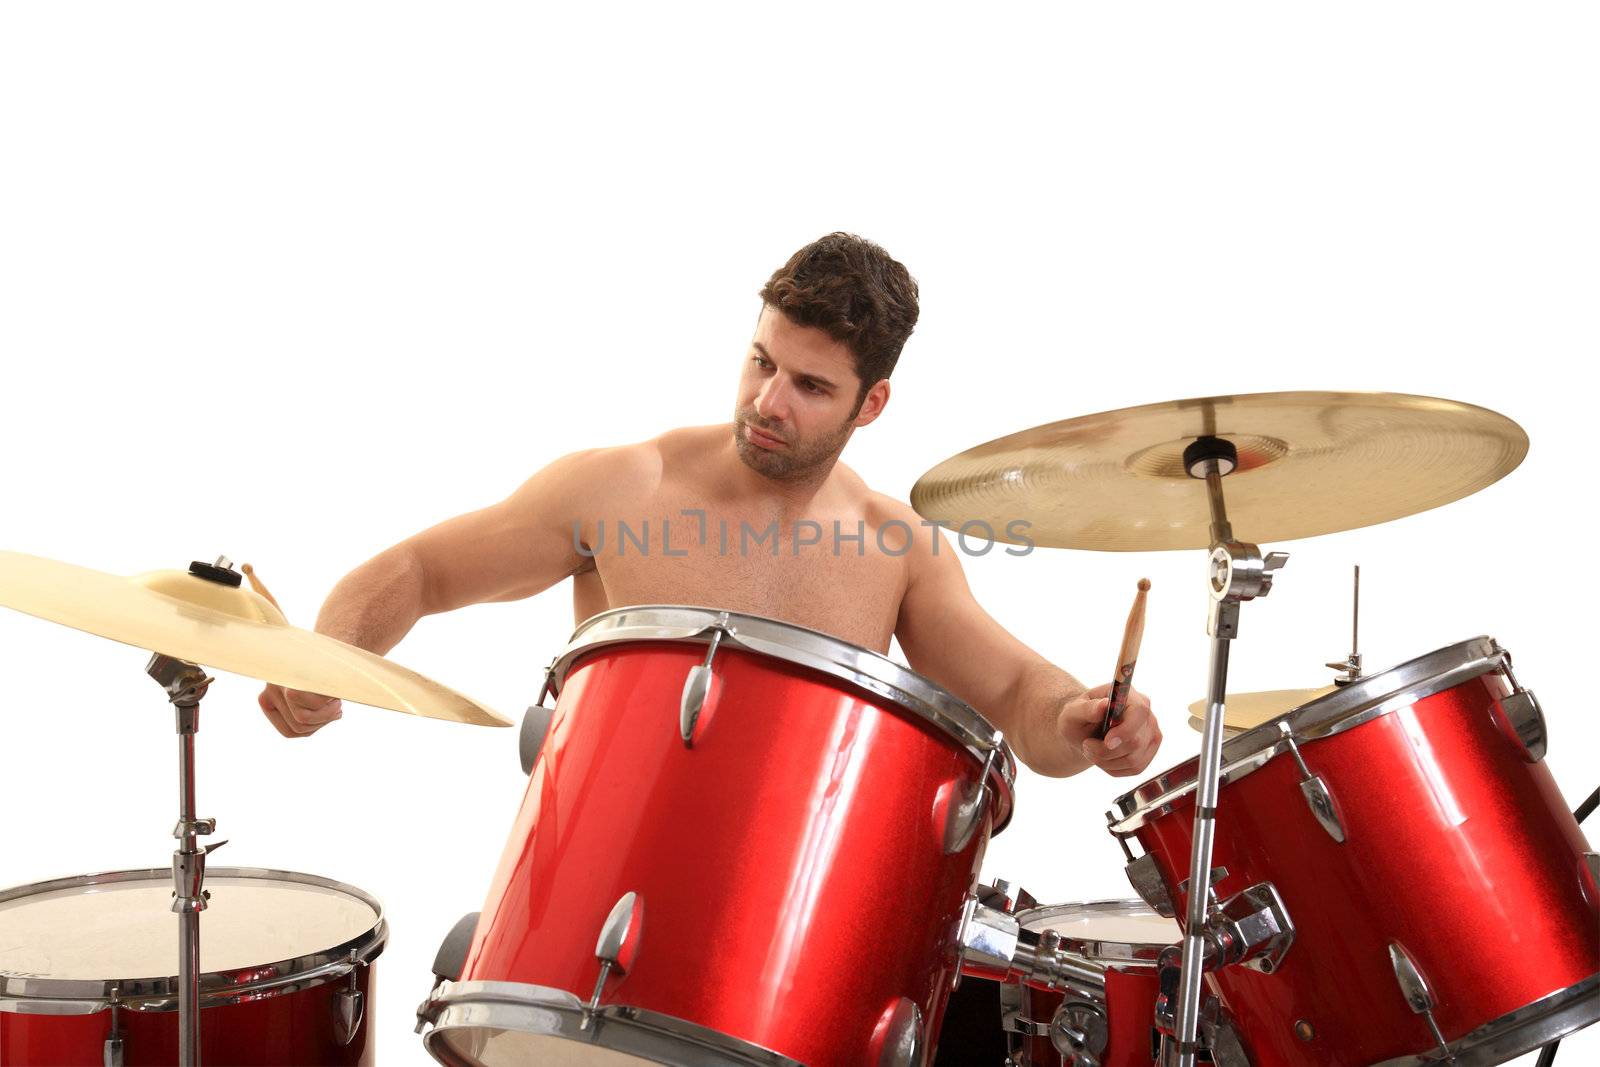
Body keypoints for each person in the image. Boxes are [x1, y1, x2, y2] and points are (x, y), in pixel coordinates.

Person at [259, 233, 1161, 779]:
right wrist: (326, 661)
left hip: (789, 921)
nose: (768, 402)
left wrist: (1086, 719)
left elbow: (1017, 694)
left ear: (870, 403)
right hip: (594, 885)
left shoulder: (898, 546)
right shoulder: (626, 486)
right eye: (762, 361)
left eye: (810, 385)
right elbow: (415, 571)